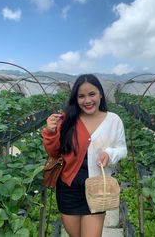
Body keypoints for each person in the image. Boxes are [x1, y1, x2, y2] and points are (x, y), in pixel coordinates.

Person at [42, 74, 127, 237]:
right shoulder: (68, 120)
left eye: (92, 94)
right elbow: (54, 153)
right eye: (81, 96)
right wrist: (51, 132)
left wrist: (110, 154)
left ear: (100, 94)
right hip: (68, 189)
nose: (87, 100)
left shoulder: (113, 120)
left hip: (97, 190)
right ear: (76, 98)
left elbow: (122, 149)